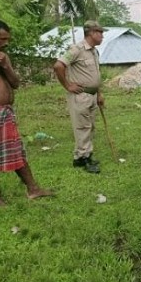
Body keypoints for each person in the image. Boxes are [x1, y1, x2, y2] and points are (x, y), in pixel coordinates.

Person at [0, 19, 53, 206]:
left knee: (16, 149)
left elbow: (15, 83)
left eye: (7, 39)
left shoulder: (3, 57)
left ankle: (33, 189)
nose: (6, 43)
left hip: (6, 112)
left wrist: (6, 65)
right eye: (1, 39)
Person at [53, 20, 106, 174]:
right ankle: (84, 159)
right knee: (82, 127)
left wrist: (99, 93)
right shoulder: (77, 49)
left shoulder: (94, 51)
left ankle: (81, 156)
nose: (102, 36)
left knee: (89, 127)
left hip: (92, 94)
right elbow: (58, 66)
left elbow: (96, 74)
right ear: (91, 33)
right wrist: (68, 85)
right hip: (80, 95)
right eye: (100, 32)